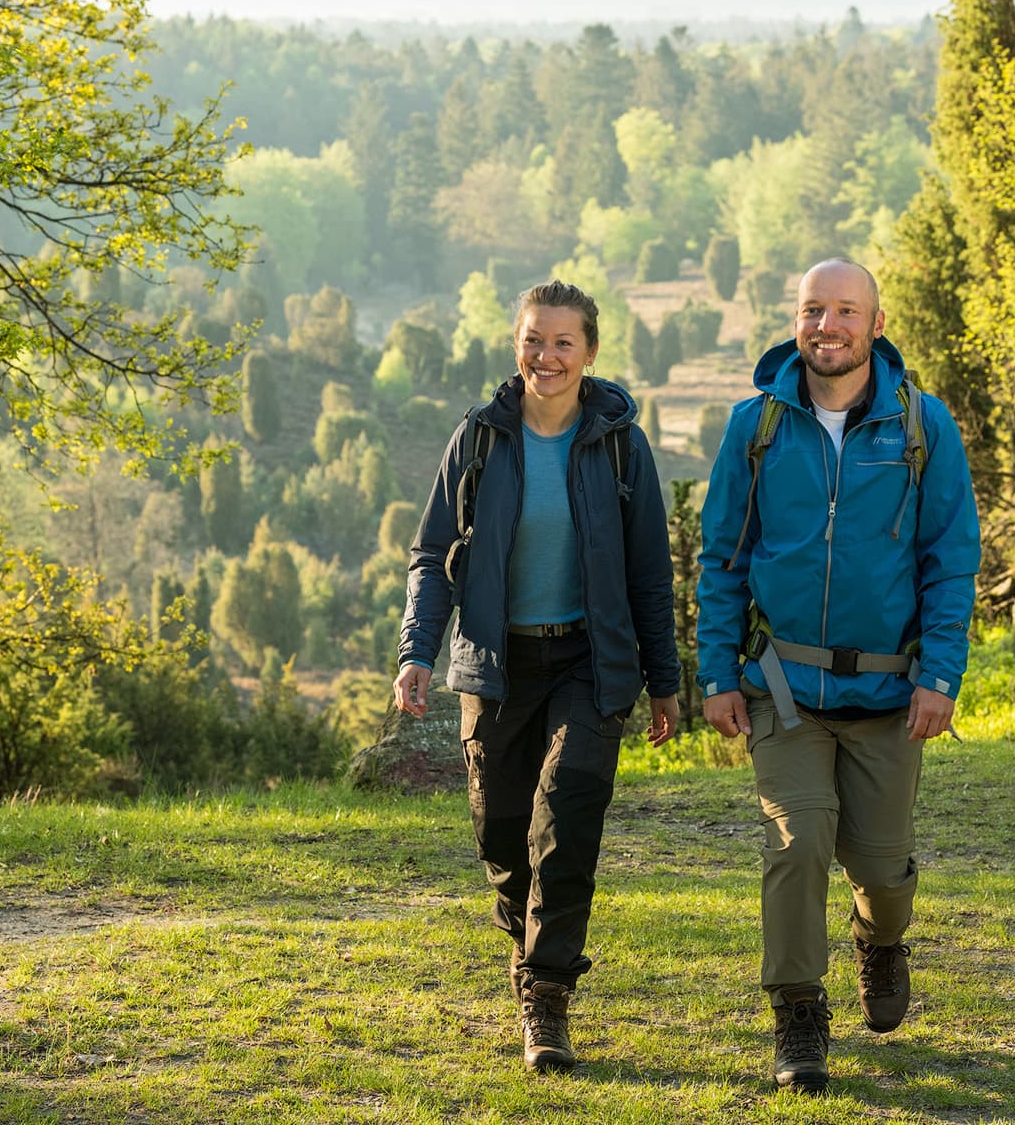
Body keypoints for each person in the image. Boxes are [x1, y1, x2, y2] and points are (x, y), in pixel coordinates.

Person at [695, 258, 980, 1095]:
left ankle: (880, 940)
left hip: (893, 694)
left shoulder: (924, 427)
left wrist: (941, 674)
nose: (829, 325)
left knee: (882, 868)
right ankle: (797, 1014)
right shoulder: (755, 426)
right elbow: (721, 561)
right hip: (783, 689)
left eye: (846, 311)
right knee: (798, 840)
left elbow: (950, 562)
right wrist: (717, 672)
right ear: (796, 320)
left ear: (876, 325)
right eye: (814, 309)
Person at [396, 279, 681, 1073]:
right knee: (501, 835)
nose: (545, 356)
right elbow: (432, 555)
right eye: (533, 339)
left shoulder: (620, 443)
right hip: (496, 664)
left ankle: (547, 997)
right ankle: (527, 949)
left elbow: (649, 572)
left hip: (591, 664)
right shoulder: (480, 439)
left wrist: (664, 678)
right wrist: (417, 651)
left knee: (566, 821)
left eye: (562, 342)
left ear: (590, 352)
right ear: (514, 344)